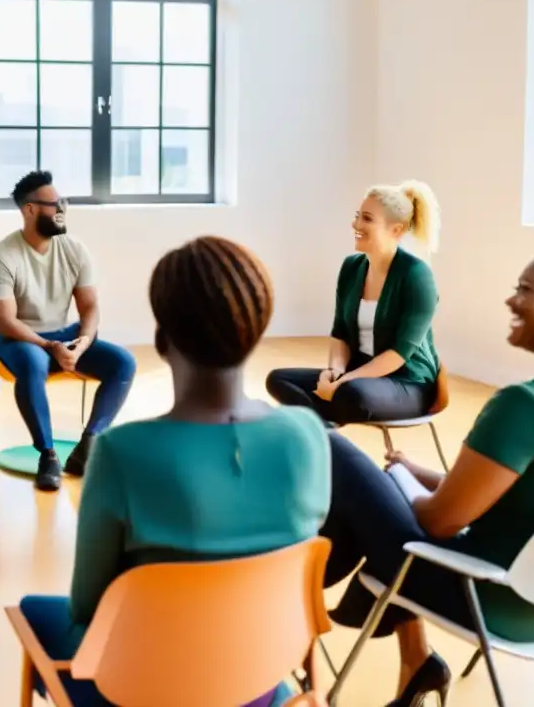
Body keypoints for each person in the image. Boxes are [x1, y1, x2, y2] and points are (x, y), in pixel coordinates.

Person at [319, 215, 534, 706]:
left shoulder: (528, 405)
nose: (511, 301)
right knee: (384, 484)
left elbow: (439, 521)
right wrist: (412, 475)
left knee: (330, 445)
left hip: (492, 598)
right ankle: (413, 662)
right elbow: (524, 499)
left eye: (526, 290)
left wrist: (401, 486)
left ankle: (294, 590)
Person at [19, 236, 332, 707]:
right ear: (256, 330)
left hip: (141, 689)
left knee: (32, 613)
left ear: (163, 341)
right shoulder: (306, 434)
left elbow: (88, 609)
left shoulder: (122, 453)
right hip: (260, 683)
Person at [0, 170, 136, 492]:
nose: (62, 209)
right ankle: (47, 455)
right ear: (30, 210)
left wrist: (82, 344)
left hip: (65, 334)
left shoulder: (74, 249)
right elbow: (3, 322)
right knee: (33, 364)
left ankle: (89, 444)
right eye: (54, 204)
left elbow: (90, 307)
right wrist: (50, 346)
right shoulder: (0, 256)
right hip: (18, 339)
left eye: (63, 202)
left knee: (123, 363)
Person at [266, 181, 442, 425]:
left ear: (396, 230)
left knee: (351, 395)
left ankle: (317, 430)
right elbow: (340, 332)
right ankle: (324, 429)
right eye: (358, 216)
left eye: (368, 219)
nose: (356, 225)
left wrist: (344, 382)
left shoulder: (416, 275)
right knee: (279, 379)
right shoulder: (351, 268)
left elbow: (400, 353)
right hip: (358, 377)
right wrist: (335, 372)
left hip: (407, 383)